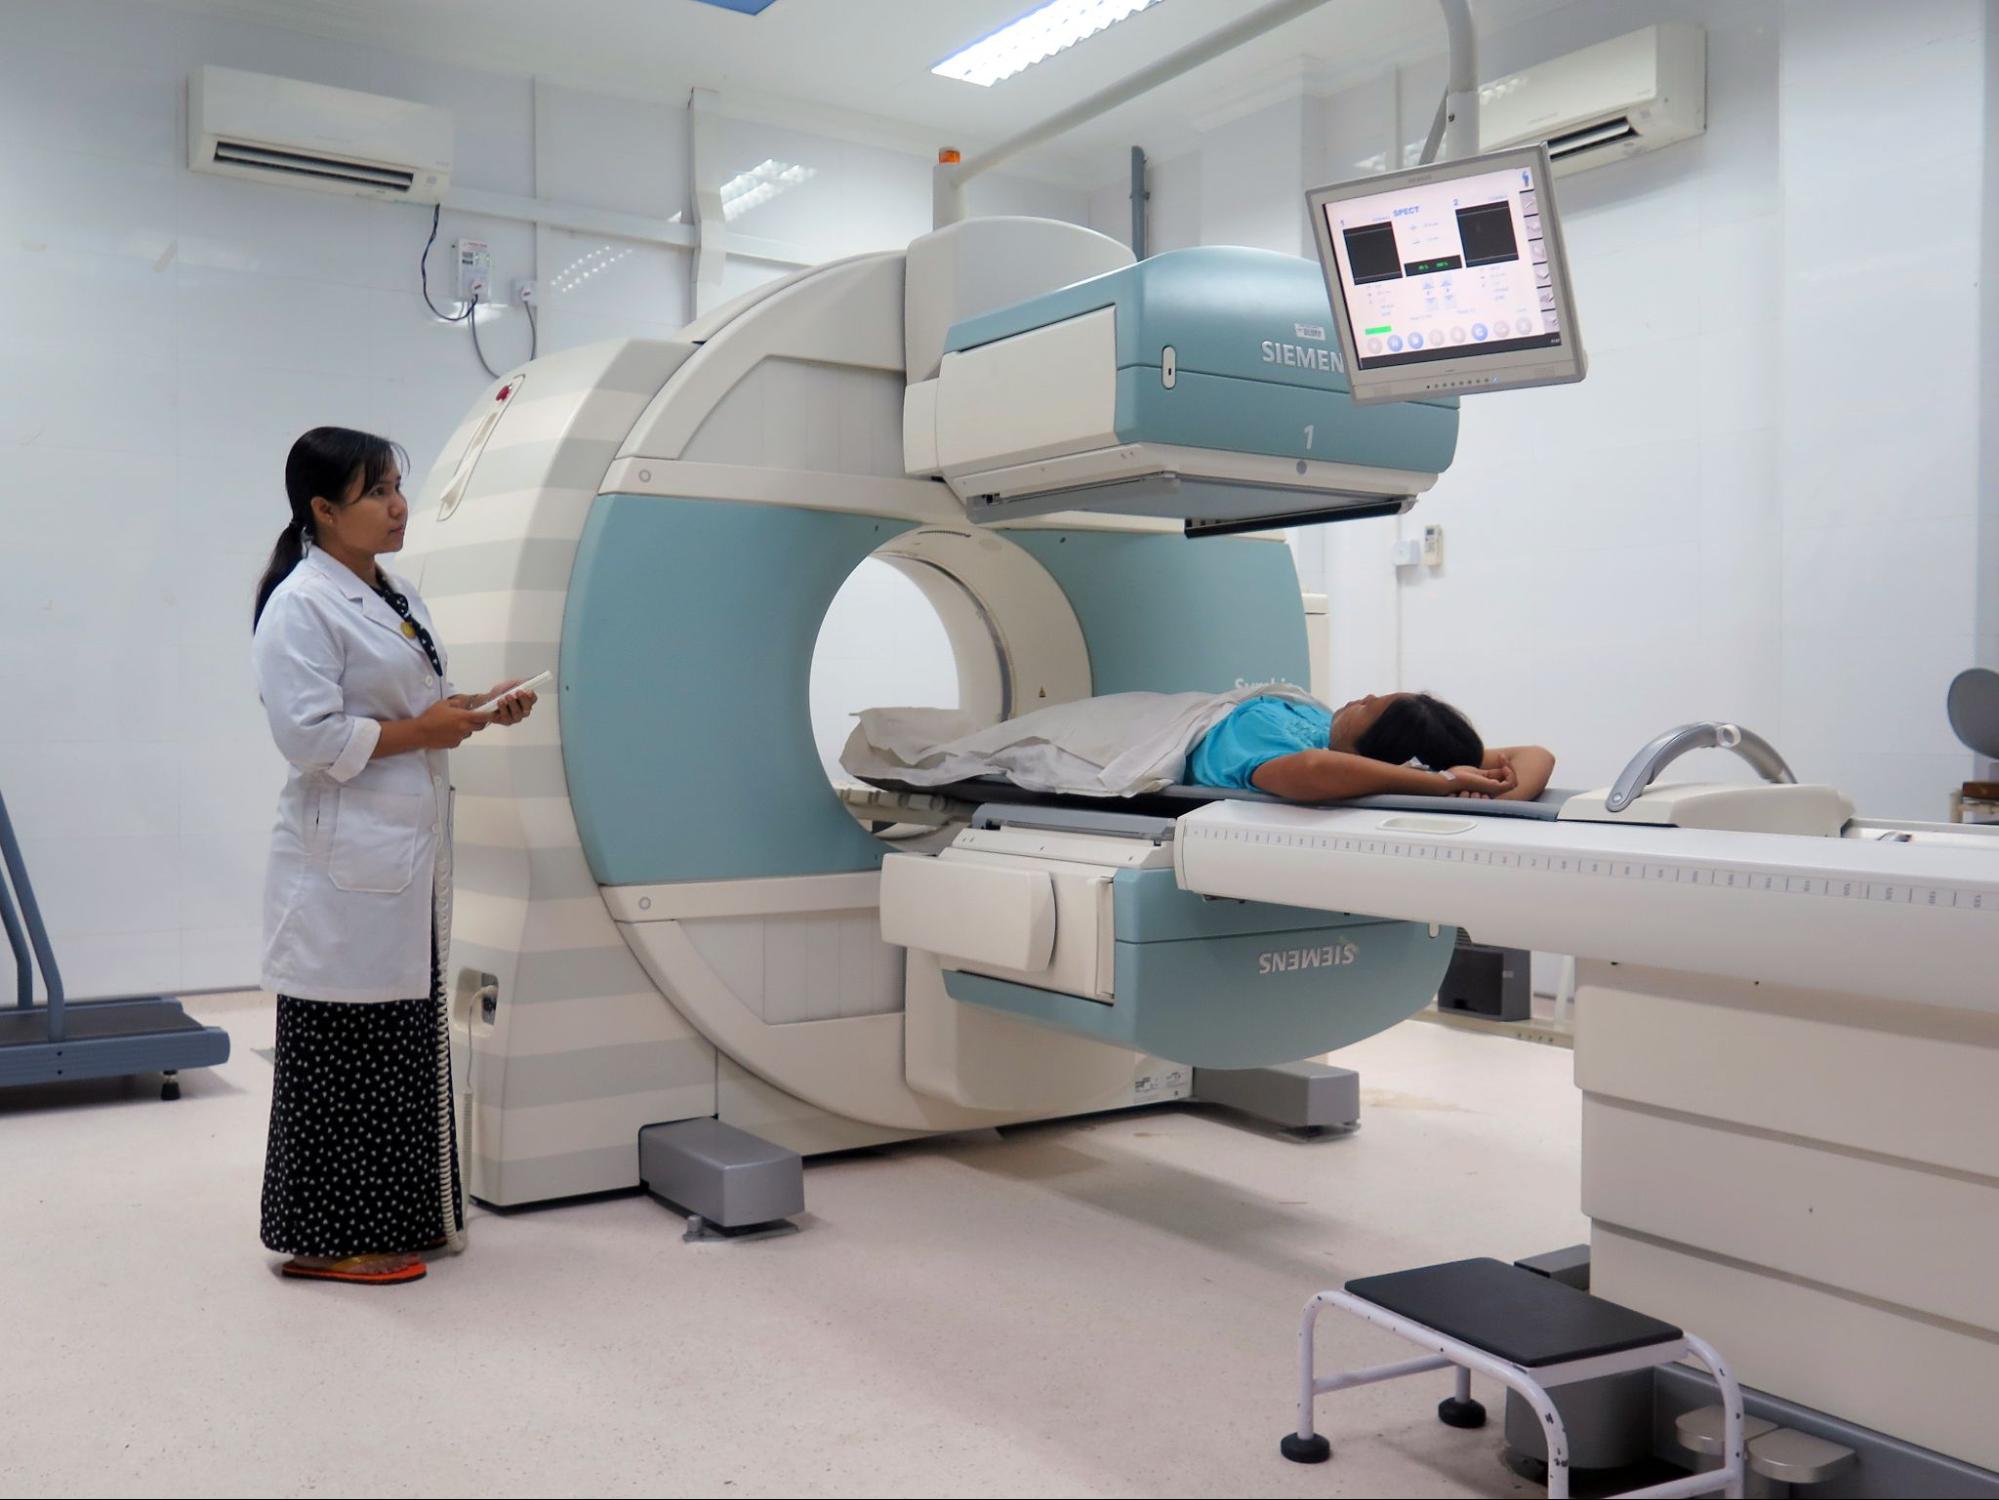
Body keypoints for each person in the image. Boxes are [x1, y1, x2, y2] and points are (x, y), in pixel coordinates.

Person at [249, 426, 540, 1287]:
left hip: (401, 857)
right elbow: (308, 737)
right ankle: (326, 1241)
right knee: (344, 1052)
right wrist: (425, 730)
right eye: (375, 491)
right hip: (346, 863)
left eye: (395, 486)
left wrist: (472, 709)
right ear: (323, 509)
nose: (397, 505)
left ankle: (397, 1219)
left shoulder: (390, 591)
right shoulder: (300, 604)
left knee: (398, 1044)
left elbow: (405, 704)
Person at [1188, 691, 1555, 804]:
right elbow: (1537, 754)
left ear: (1371, 749)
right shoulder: (1330, 732)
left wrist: (1456, 792)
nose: (1364, 696)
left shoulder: (1271, 739)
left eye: (1369, 707)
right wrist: (1449, 784)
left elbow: (1317, 767)